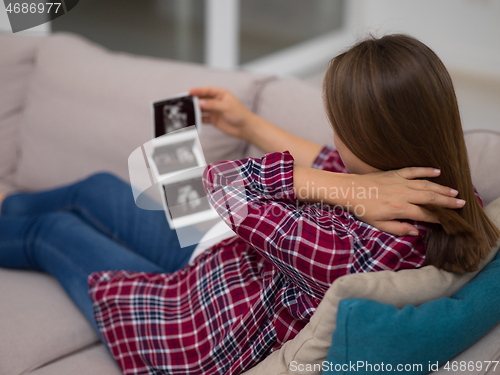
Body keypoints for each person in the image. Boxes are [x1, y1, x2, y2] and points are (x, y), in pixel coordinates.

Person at [0, 34, 497, 375]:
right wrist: (248, 127)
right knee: (96, 189)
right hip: (218, 266)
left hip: (190, 326)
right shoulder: (444, 191)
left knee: (55, 233)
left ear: (374, 139)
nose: (334, 143)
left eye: (342, 130)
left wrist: (349, 190)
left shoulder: (347, 250)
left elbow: (220, 184)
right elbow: (330, 163)